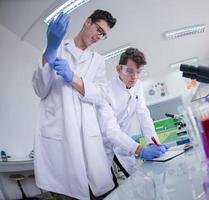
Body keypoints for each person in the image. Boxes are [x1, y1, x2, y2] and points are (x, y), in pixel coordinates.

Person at [32, 10, 165, 199]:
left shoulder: (97, 61)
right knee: (67, 193)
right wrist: (51, 49)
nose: (99, 36)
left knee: (100, 190)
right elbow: (39, 89)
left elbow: (100, 94)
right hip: (60, 138)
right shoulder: (57, 49)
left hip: (91, 142)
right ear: (87, 22)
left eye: (104, 34)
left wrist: (73, 78)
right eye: (98, 29)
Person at [102, 48, 167, 184]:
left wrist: (154, 142)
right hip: (103, 148)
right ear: (118, 69)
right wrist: (139, 149)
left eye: (138, 72)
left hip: (124, 147)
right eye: (129, 71)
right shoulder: (105, 91)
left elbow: (143, 114)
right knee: (108, 188)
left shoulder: (138, 85)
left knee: (135, 184)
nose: (134, 77)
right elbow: (111, 131)